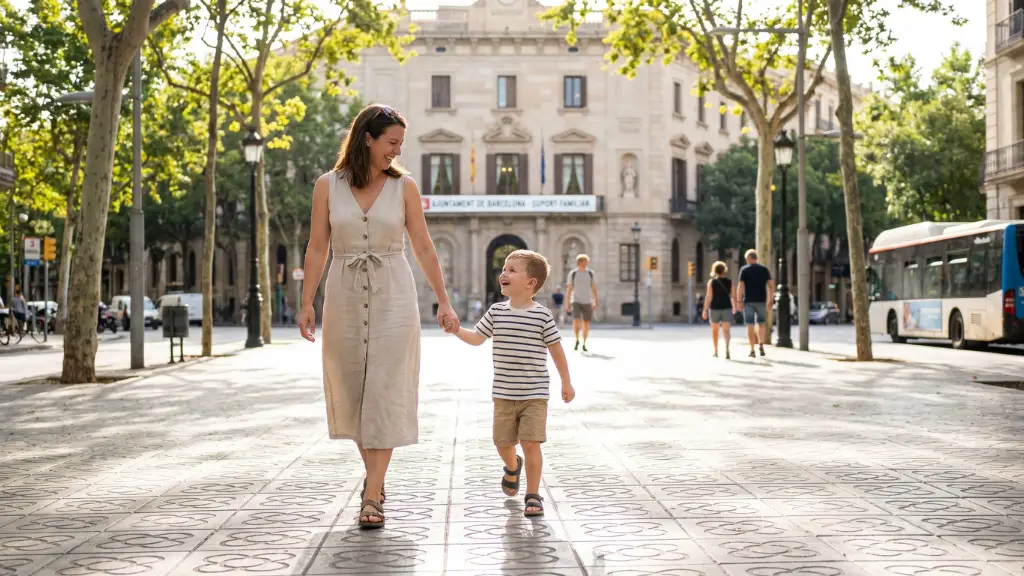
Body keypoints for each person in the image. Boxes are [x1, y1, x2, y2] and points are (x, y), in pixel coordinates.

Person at [297, 104, 459, 530]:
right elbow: (317, 248)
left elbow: (423, 247)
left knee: (385, 390)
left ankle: (372, 495)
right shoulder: (326, 186)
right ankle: (375, 477)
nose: (397, 151)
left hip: (394, 295)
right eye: (392, 142)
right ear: (367, 138)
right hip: (344, 295)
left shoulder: (403, 187)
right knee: (353, 392)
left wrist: (442, 300)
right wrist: (305, 302)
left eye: (400, 144)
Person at [448, 249, 574, 517]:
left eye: (512, 269)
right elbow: (476, 338)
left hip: (534, 394)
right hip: (504, 394)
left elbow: (556, 351)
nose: (503, 273)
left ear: (531, 284)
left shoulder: (542, 316)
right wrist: (456, 329)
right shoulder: (496, 312)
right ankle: (511, 465)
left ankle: (533, 494)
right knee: (502, 443)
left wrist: (566, 381)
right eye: (504, 269)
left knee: (531, 443)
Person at [736, 249, 774, 358]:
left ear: (748, 258)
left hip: (748, 301)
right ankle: (761, 344)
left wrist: (739, 301)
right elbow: (771, 285)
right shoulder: (764, 269)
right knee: (761, 323)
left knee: (750, 325)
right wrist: (770, 299)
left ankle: (752, 349)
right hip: (761, 301)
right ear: (756, 258)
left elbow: (740, 286)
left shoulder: (744, 270)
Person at [702, 261, 737, 359]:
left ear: (714, 270)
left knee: (715, 331)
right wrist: (734, 307)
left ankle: (716, 351)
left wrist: (705, 309)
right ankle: (727, 347)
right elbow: (733, 296)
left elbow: (708, 297)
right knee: (726, 330)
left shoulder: (712, 282)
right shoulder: (730, 282)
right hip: (727, 307)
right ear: (724, 270)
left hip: (714, 308)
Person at [566, 254, 597, 352]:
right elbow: (569, 289)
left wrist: (596, 300)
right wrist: (567, 302)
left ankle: (584, 342)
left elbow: (594, 288)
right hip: (576, 300)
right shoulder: (573, 273)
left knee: (586, 323)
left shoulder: (591, 273)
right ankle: (576, 339)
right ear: (579, 262)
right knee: (576, 320)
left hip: (587, 301)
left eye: (586, 262)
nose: (586, 263)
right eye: (584, 262)